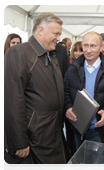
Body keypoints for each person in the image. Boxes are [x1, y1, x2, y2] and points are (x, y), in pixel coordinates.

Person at [4, 12, 66, 170]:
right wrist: (19, 142)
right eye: (56, 33)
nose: (59, 38)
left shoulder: (51, 56)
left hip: (51, 136)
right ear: (40, 30)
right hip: (32, 140)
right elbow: (13, 101)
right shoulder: (18, 53)